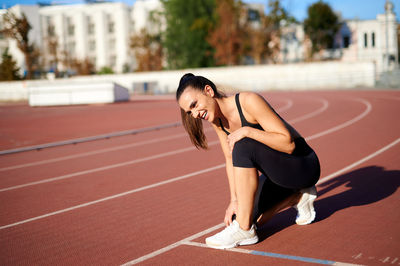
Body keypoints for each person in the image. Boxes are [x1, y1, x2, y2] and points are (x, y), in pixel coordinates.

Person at [176, 73, 320, 249]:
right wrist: (234, 200)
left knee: (243, 146)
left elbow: (288, 144)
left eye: (194, 105)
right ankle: (297, 197)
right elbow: (229, 160)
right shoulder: (218, 122)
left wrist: (247, 131)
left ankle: (244, 230)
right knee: (244, 214)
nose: (195, 115)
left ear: (208, 90)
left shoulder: (248, 101)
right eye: (189, 112)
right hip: (277, 175)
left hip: (302, 164)